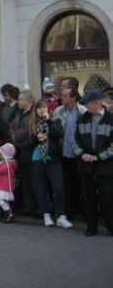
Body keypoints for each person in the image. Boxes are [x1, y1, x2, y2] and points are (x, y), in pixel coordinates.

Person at [73, 90, 113, 237]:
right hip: (86, 165)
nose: (86, 107)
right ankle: (91, 227)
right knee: (88, 198)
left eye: (88, 103)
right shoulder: (82, 119)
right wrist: (82, 154)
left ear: (96, 103)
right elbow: (75, 140)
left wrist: (99, 157)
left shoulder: (110, 119)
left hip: (105, 165)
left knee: (107, 197)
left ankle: (111, 225)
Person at [29, 99, 72, 228]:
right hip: (38, 158)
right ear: (35, 110)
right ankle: (46, 214)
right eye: (39, 107)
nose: (41, 110)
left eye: (44, 107)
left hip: (53, 158)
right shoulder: (31, 124)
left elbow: (59, 134)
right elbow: (26, 143)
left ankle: (61, 216)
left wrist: (48, 121)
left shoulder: (54, 121)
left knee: (58, 187)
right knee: (41, 187)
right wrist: (36, 138)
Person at [53, 85, 87, 220]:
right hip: (64, 152)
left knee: (81, 184)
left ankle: (83, 210)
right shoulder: (59, 111)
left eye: (65, 96)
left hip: (80, 153)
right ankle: (70, 211)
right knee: (67, 183)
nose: (62, 98)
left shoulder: (83, 111)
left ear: (73, 98)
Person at [10, 90, 38, 217]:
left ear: (28, 100)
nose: (18, 101)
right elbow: (11, 126)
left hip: (31, 151)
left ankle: (38, 206)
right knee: (26, 180)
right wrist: (13, 135)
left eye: (20, 99)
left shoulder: (34, 114)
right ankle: (29, 206)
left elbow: (30, 132)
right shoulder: (19, 113)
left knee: (35, 180)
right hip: (21, 151)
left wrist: (18, 135)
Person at [0, 142, 17, 223]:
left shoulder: (8, 164)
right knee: (5, 200)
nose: (0, 156)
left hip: (4, 185)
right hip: (5, 185)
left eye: (1, 154)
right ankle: (9, 214)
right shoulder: (9, 163)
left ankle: (8, 211)